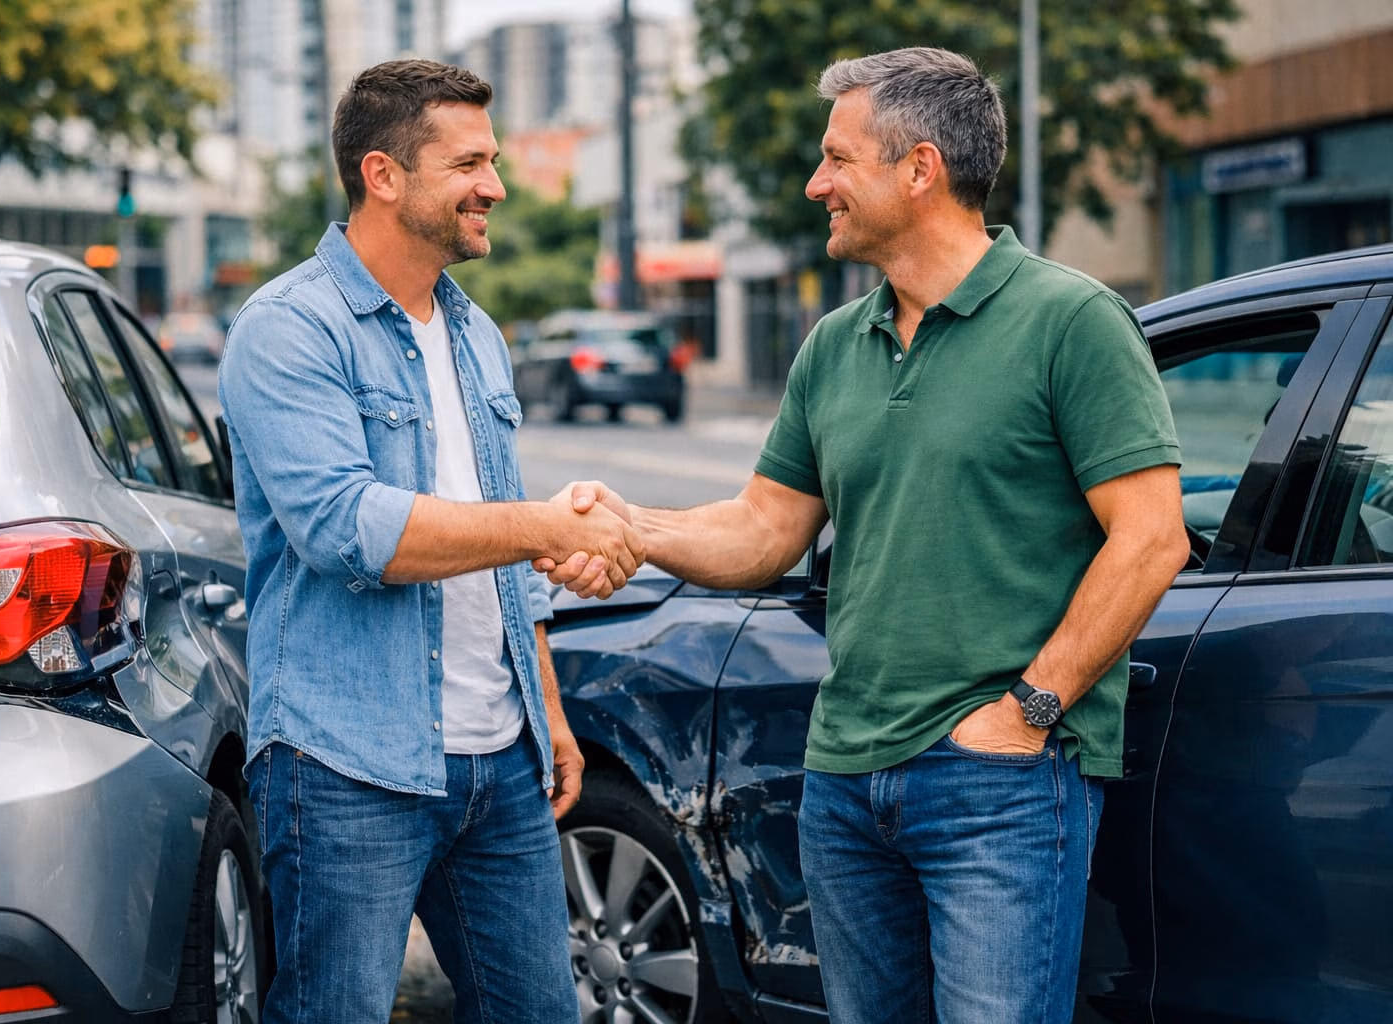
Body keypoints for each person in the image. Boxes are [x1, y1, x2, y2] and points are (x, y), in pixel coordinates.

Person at [546, 47, 1190, 1023]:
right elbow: (763, 529)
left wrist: (1026, 712)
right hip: (845, 777)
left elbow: (1151, 539)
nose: (818, 184)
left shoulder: (1072, 322)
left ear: (920, 168)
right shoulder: (834, 345)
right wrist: (629, 526)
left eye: (838, 158)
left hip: (999, 784)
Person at [218, 58, 640, 1024]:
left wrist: (548, 706)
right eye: (469, 164)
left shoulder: (476, 332)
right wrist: (544, 526)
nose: (496, 185)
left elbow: (501, 536)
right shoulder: (288, 329)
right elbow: (344, 528)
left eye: (492, 161)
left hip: (502, 759)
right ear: (383, 174)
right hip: (345, 764)